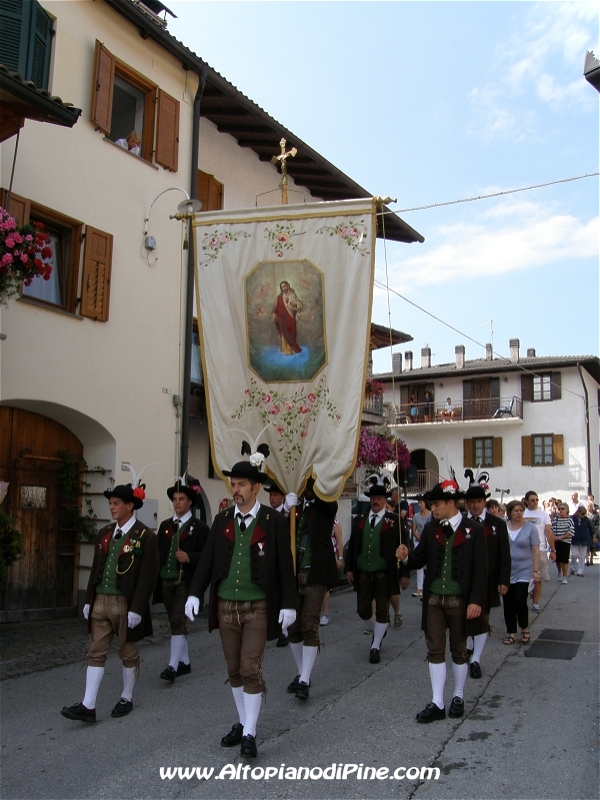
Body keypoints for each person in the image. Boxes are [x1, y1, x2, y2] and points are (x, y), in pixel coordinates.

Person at [184, 458, 296, 759]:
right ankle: (244, 721)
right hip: (225, 605)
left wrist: (289, 604)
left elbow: (285, 565)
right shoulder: (221, 520)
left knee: (250, 668)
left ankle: (249, 732)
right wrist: (195, 593)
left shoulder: (274, 521)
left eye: (242, 485)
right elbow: (206, 561)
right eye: (233, 484)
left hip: (257, 606)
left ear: (255, 488)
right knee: (233, 670)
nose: (236, 489)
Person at [61, 484, 159, 722]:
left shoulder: (145, 536)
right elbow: (96, 567)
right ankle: (88, 704)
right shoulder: (104, 532)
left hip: (125, 603)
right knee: (95, 651)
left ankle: (126, 696)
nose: (112, 507)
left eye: (116, 503)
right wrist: (88, 600)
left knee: (128, 651)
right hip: (101, 600)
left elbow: (148, 576)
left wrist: (137, 608)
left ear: (129, 506)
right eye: (111, 503)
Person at [396, 481, 487, 723]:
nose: (431, 508)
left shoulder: (473, 530)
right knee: (434, 648)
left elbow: (481, 569)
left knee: (458, 648)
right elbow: (419, 558)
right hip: (434, 599)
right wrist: (406, 558)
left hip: (461, 600)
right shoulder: (430, 528)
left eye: (435, 504)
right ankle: (437, 701)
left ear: (450, 503)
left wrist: (476, 600)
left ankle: (458, 695)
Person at [286, 478, 338, 700]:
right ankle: (301, 672)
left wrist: (317, 490)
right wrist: (285, 509)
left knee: (309, 625)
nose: (306, 490)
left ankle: (305, 679)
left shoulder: (325, 505)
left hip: (315, 572)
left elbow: (330, 502)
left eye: (309, 486)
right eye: (304, 486)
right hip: (295, 573)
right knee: (293, 627)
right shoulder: (296, 508)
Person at [345, 484, 410, 663]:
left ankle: (375, 646)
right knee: (363, 610)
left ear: (385, 500)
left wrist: (405, 573)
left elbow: (404, 546)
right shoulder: (359, 519)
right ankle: (379, 631)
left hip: (384, 573)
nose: (375, 501)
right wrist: (349, 568)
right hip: (363, 573)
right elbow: (352, 547)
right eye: (373, 498)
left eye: (379, 498)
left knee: (382, 610)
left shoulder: (394, 521)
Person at [153, 479, 209, 682]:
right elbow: (159, 553)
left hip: (186, 581)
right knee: (174, 622)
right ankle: (184, 662)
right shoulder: (165, 526)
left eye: (181, 499)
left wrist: (189, 558)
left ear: (190, 502)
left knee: (178, 621)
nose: (177, 503)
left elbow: (206, 556)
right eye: (175, 499)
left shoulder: (199, 527)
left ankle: (172, 666)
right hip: (166, 580)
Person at [464, 485, 510, 678]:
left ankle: (476, 659)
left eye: (479, 502)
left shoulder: (496, 524)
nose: (475, 505)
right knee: (464, 616)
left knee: (483, 618)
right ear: (466, 503)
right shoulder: (460, 522)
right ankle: (468, 645)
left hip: (488, 580)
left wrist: (503, 580)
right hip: (464, 579)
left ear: (485, 502)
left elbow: (504, 555)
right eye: (472, 502)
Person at [265, 482, 298, 646]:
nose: (272, 498)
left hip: (283, 558)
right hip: (270, 558)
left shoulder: (291, 512)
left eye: (275, 495)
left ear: (283, 497)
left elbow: (291, 529)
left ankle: (285, 631)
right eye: (271, 495)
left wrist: (286, 510)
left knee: (284, 592)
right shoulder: (268, 514)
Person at [502, 500, 539, 646]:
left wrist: (536, 571)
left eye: (521, 511)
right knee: (508, 602)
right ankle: (511, 632)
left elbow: (535, 550)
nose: (519, 513)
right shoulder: (504, 528)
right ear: (509, 512)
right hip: (507, 570)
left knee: (519, 599)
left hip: (524, 569)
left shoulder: (530, 528)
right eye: (516, 511)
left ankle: (524, 628)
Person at [522, 490, 555, 613]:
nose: (535, 502)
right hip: (524, 549)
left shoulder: (543, 514)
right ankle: (522, 599)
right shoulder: (522, 513)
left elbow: (549, 532)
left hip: (540, 549)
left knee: (538, 578)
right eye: (532, 500)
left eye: (537, 499)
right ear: (526, 501)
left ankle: (535, 603)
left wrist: (552, 550)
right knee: (524, 577)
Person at [320, 517, 344, 626]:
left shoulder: (335, 522)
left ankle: (326, 613)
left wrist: (340, 558)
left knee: (325, 586)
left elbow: (339, 541)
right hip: (317, 556)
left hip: (330, 555)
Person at [271, 280, 303, 355]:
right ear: (281, 288)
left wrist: (292, 303)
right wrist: (275, 315)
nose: (284, 288)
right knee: (284, 334)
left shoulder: (292, 295)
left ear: (288, 286)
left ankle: (292, 349)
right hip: (282, 319)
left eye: (285, 286)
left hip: (290, 317)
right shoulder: (279, 297)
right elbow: (277, 309)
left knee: (292, 333)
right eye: (282, 287)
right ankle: (286, 349)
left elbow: (299, 305)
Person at [411, 496, 431, 598]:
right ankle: (419, 588)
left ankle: (428, 586)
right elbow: (414, 530)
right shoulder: (416, 516)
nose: (419, 505)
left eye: (421, 503)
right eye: (419, 503)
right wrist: (420, 538)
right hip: (418, 541)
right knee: (419, 565)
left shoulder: (431, 515)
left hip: (429, 541)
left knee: (428, 564)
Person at [551, 503, 574, 583]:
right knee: (558, 560)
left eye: (562, 509)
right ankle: (559, 572)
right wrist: (554, 537)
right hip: (556, 542)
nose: (560, 510)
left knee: (564, 560)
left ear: (567, 510)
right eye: (559, 508)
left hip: (565, 542)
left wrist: (561, 537)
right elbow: (551, 529)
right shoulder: (555, 519)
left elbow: (571, 531)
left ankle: (564, 576)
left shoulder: (570, 520)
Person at [570, 505, 594, 577]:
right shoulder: (572, 518)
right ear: (578, 513)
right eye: (582, 514)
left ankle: (580, 571)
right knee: (574, 554)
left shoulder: (586, 520)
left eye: (584, 514)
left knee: (582, 555)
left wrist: (593, 536)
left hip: (584, 538)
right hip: (575, 538)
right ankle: (573, 567)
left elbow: (590, 528)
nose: (583, 515)